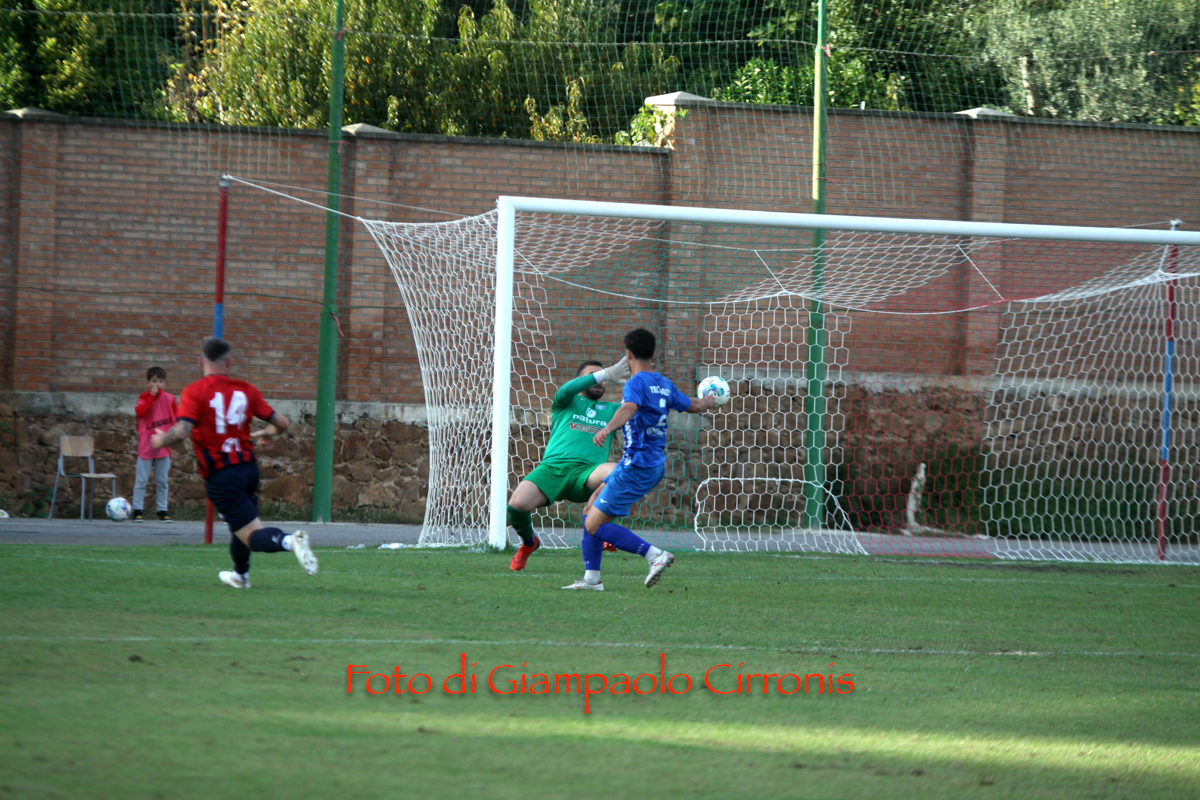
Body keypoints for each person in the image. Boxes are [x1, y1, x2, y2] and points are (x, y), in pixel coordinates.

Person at [151, 338, 317, 588]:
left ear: (201, 362)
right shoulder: (246, 390)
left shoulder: (195, 391)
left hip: (221, 474)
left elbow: (181, 431)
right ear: (228, 363)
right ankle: (240, 576)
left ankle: (290, 541)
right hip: (248, 470)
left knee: (251, 535)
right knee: (239, 524)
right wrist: (267, 433)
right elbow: (282, 423)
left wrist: (161, 440)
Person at [563, 328, 717, 591]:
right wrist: (711, 401)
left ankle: (655, 556)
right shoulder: (663, 383)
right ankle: (591, 580)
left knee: (593, 524)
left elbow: (628, 408)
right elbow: (694, 405)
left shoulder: (635, 383)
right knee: (590, 509)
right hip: (651, 463)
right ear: (653, 354)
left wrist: (608, 428)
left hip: (637, 464)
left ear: (629, 354)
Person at [507, 356, 632, 570]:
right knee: (517, 505)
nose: (600, 381)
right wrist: (603, 374)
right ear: (580, 380)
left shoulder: (612, 410)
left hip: (588, 472)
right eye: (593, 376)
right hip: (553, 470)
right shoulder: (565, 401)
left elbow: (635, 410)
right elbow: (566, 389)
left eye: (603, 378)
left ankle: (601, 529)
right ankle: (529, 543)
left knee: (617, 471)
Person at [132, 366, 177, 522]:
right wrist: (151, 397)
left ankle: (162, 511)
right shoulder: (143, 398)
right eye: (154, 381)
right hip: (146, 445)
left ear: (165, 383)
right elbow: (140, 412)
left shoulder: (169, 399)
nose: (157, 384)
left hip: (163, 445)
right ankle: (137, 510)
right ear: (148, 383)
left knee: (162, 482)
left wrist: (172, 436)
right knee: (141, 481)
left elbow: (176, 417)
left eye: (161, 381)